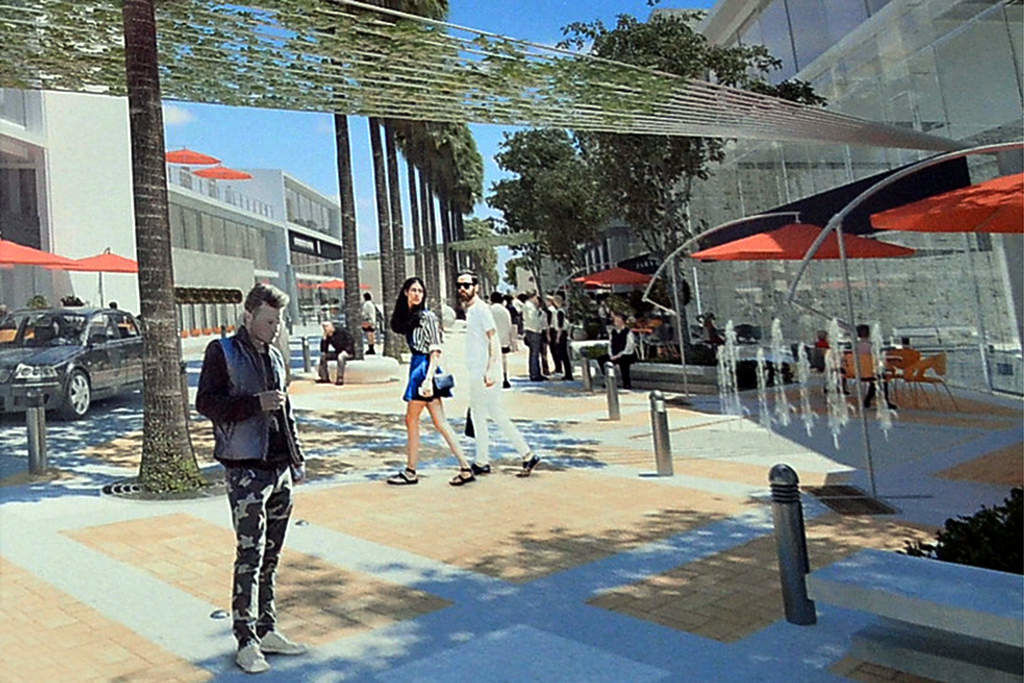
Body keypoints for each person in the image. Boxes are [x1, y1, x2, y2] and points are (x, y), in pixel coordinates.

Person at [195, 283, 308, 675]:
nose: (275, 328)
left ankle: (267, 628)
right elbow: (206, 403)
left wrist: (296, 457)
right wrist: (253, 404)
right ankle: (245, 640)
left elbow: (286, 410)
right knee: (250, 555)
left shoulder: (274, 355)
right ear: (248, 316)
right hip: (245, 470)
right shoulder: (222, 351)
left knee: (271, 557)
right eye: (269, 321)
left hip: (279, 470)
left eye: (279, 322)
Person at [387, 276, 476, 486]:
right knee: (438, 422)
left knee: (413, 420)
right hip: (420, 368)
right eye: (413, 290)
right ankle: (465, 467)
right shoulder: (411, 318)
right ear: (406, 293)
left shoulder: (427, 317)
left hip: (424, 369)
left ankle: (411, 470)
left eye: (420, 290)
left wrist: (427, 380)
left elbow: (436, 349)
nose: (417, 294)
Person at [460, 273, 541, 478]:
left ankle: (517, 455)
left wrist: (490, 369)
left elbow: (493, 339)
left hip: (485, 371)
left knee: (488, 414)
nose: (463, 289)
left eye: (467, 285)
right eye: (460, 285)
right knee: (484, 414)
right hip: (478, 370)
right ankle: (489, 459)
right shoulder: (472, 310)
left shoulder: (481, 309)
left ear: (476, 287)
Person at [853, 324, 896, 410]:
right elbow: (877, 360)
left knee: (874, 380)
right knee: (881, 378)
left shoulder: (855, 346)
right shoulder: (872, 346)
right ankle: (884, 401)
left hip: (857, 372)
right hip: (871, 372)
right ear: (869, 333)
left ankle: (868, 400)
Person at [597, 311, 638, 389]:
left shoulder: (628, 332)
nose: (616, 322)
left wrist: (619, 355)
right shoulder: (613, 332)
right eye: (615, 320)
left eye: (618, 320)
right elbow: (610, 344)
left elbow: (629, 347)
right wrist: (611, 355)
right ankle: (608, 379)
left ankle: (626, 383)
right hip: (615, 354)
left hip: (626, 354)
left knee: (624, 362)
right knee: (601, 359)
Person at [316, 320, 354, 385]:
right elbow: (324, 350)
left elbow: (351, 341)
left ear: (331, 326)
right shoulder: (328, 335)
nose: (325, 328)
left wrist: (346, 350)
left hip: (348, 352)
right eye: (324, 327)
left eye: (327, 326)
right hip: (338, 352)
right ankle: (324, 377)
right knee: (323, 356)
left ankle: (340, 378)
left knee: (341, 357)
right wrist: (324, 339)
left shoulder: (341, 331)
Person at [490, 291, 514, 389]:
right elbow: (509, 325)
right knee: (503, 360)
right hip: (503, 339)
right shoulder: (505, 311)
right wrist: (511, 340)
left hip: (491, 339)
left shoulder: (489, 310)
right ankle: (504, 378)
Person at [521, 291, 546, 382]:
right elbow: (533, 320)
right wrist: (540, 316)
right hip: (533, 331)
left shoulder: (529, 306)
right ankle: (535, 374)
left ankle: (536, 372)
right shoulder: (529, 306)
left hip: (532, 330)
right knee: (534, 354)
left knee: (534, 353)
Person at [548, 294, 572, 381]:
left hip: (561, 334)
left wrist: (558, 337)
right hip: (562, 333)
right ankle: (567, 373)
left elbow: (560, 325)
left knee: (563, 354)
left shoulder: (560, 312)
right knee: (563, 354)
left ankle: (568, 374)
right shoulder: (561, 311)